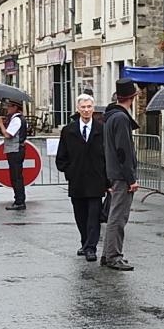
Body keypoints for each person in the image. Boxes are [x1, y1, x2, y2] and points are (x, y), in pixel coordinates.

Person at [56, 95, 107, 263]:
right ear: (78, 109)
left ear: (93, 108)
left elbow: (108, 156)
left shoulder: (101, 129)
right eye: (83, 107)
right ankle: (84, 242)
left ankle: (91, 247)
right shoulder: (68, 130)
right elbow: (62, 156)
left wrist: (108, 180)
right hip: (77, 180)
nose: (86, 110)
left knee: (94, 215)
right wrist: (69, 171)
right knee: (80, 215)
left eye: (89, 106)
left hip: (96, 180)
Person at [102, 79, 140, 272]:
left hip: (114, 173)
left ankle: (108, 253)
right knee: (118, 216)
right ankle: (113, 255)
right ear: (132, 98)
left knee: (114, 215)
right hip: (121, 175)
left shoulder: (111, 116)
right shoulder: (121, 118)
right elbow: (123, 151)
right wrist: (131, 179)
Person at [0, 100, 28, 210]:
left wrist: (0, 124)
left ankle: (19, 201)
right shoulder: (19, 119)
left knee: (16, 176)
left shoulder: (17, 120)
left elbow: (8, 134)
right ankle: (19, 199)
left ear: (15, 108)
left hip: (15, 149)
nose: (7, 109)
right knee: (16, 175)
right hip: (17, 148)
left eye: (9, 107)